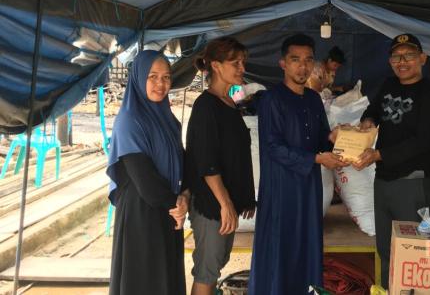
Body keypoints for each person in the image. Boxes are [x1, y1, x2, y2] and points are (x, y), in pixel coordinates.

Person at [248, 34, 348, 294]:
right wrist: (315, 159)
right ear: (283, 63)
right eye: (295, 60)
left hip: (308, 188)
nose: (302, 67)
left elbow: (321, 139)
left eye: (308, 60)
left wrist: (334, 138)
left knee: (307, 244)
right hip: (281, 189)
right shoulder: (272, 99)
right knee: (280, 249)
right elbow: (272, 147)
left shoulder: (313, 99)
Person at [353, 33, 430, 288]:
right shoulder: (388, 84)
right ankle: (388, 291)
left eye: (409, 55)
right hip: (383, 180)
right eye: (396, 56)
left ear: (422, 59)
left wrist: (378, 155)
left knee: (413, 251)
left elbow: (422, 141)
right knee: (385, 248)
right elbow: (373, 109)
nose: (402, 61)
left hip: (412, 183)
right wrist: (368, 120)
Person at [107, 50, 188, 295]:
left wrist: (184, 197)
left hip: (169, 209)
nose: (160, 84)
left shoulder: (167, 119)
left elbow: (183, 162)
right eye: (152, 77)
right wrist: (177, 204)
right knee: (145, 281)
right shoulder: (129, 120)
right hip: (141, 213)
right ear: (139, 78)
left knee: (166, 279)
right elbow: (144, 179)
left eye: (166, 77)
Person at [185, 37, 256, 295]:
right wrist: (225, 204)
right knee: (208, 269)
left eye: (243, 62)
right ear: (215, 65)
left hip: (225, 203)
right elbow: (207, 163)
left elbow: (235, 156)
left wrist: (243, 199)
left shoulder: (229, 103)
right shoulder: (206, 106)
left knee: (217, 263)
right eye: (235, 63)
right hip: (211, 204)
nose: (242, 68)